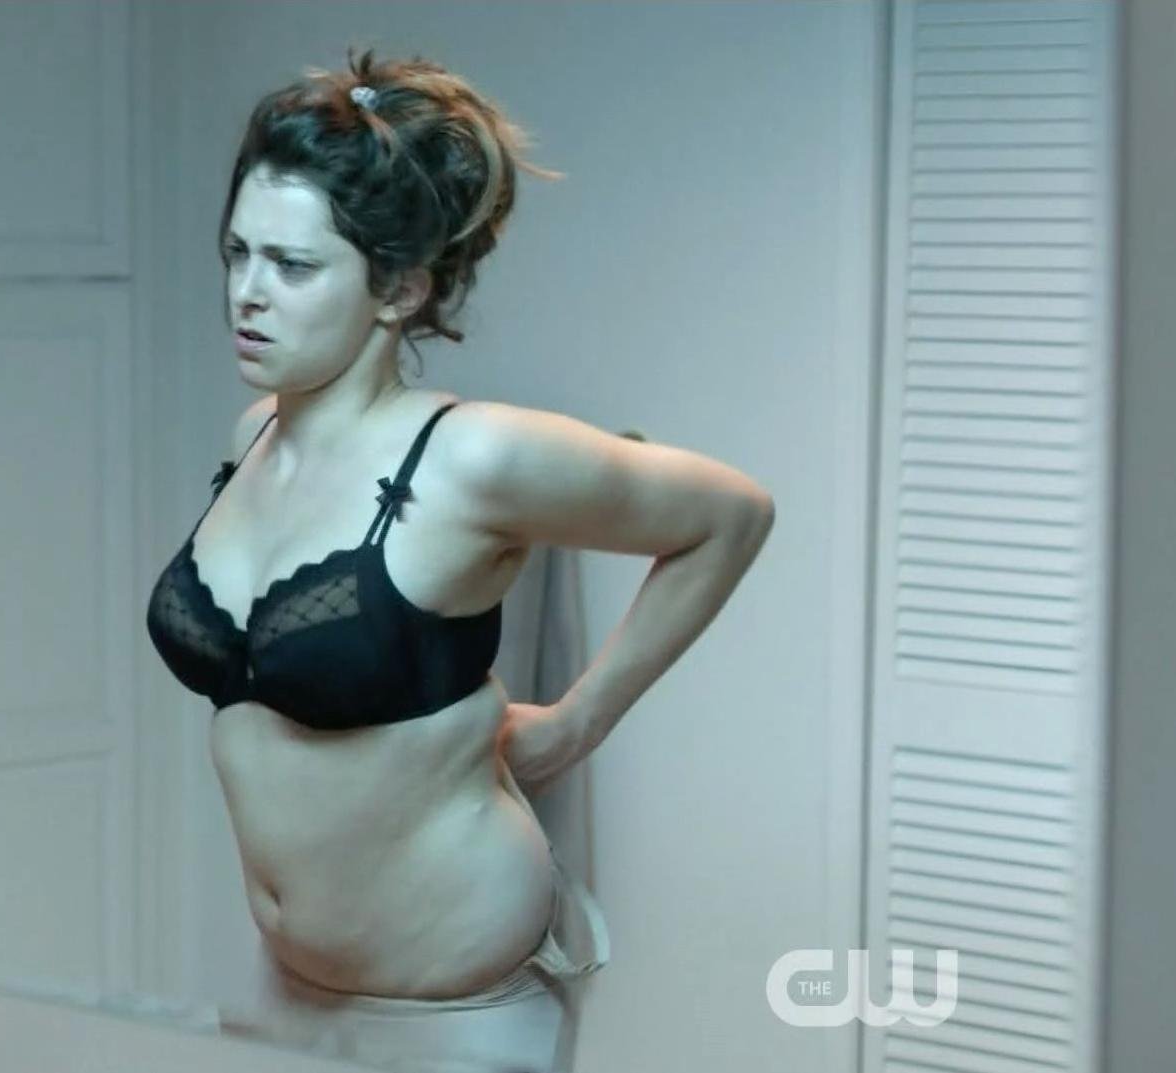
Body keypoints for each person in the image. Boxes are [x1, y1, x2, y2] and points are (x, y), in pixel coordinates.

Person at [144, 47, 774, 1073]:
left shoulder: (473, 458)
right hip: (281, 989)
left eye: (293, 267)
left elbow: (730, 515)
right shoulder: (252, 435)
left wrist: (577, 722)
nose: (247, 294)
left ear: (398, 289)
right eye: (237, 253)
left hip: (452, 1012)